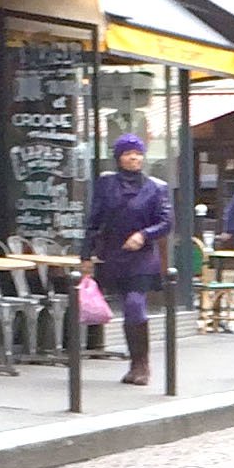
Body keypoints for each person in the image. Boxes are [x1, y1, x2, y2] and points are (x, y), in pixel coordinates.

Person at [84, 134, 171, 386]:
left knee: (135, 303)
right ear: (118, 158)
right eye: (128, 154)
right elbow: (94, 221)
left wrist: (144, 235)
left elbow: (166, 222)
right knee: (126, 305)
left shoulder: (156, 187)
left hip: (142, 255)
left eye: (138, 153)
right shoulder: (106, 184)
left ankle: (141, 364)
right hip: (114, 253)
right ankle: (134, 363)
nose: (134, 158)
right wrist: (86, 255)